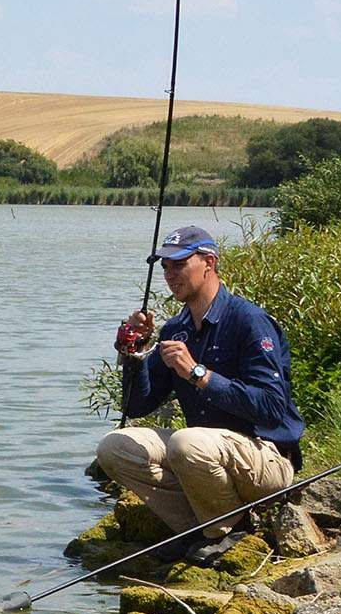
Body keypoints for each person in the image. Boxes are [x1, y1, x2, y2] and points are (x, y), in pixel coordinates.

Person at [94, 224, 304, 565]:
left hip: (267, 456)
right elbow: (137, 406)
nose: (170, 274)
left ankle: (226, 529)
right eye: (164, 267)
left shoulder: (249, 321)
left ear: (209, 262)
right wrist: (132, 354)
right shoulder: (177, 329)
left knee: (187, 442)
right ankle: (198, 527)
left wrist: (199, 374)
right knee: (115, 446)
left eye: (179, 264)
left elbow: (272, 408)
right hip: (204, 457)